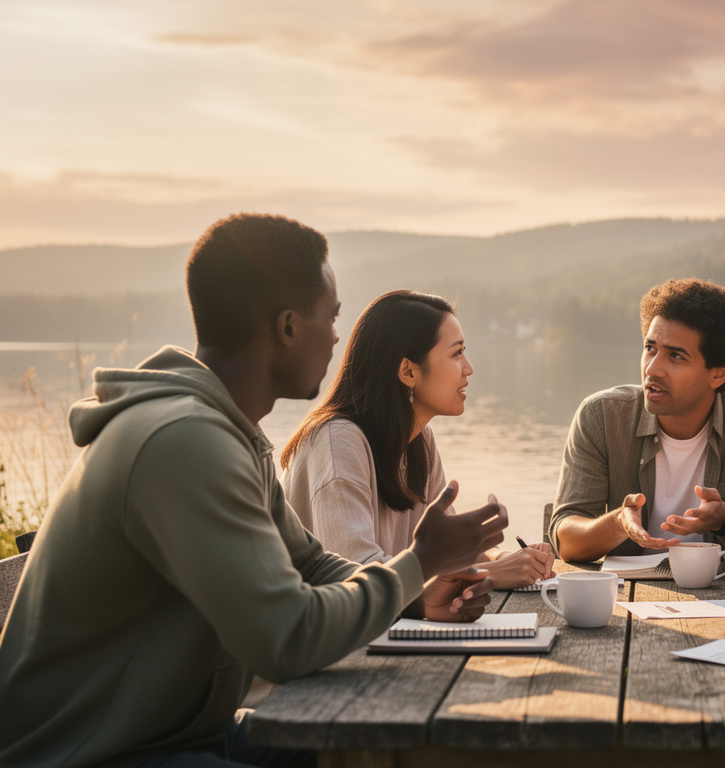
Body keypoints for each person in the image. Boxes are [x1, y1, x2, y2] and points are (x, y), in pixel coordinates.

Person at [0, 213, 508, 768]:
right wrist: (420, 562)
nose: (339, 337)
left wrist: (414, 591)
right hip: (90, 754)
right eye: (331, 317)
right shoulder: (182, 442)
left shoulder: (233, 439)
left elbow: (311, 565)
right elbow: (286, 639)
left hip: (182, 735)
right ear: (289, 327)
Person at [281, 290, 554, 589]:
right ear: (408, 371)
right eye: (456, 353)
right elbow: (357, 577)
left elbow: (445, 550)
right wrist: (493, 574)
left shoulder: (419, 438)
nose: (469, 368)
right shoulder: (337, 443)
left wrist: (506, 557)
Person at [550, 278, 725, 562]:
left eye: (676, 356)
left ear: (718, 374)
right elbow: (567, 542)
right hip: (626, 597)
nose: (653, 369)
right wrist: (619, 522)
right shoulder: (600, 417)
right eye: (650, 348)